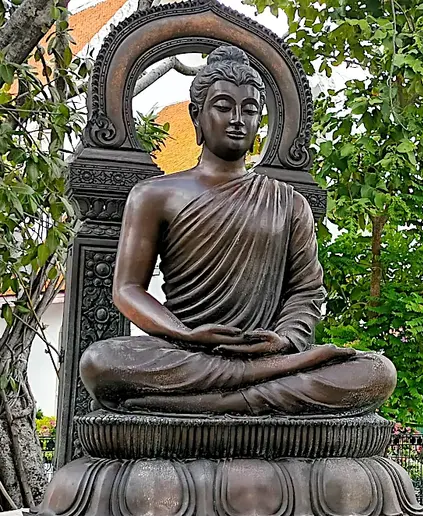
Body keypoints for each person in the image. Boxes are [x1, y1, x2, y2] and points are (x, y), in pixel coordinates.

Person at [80, 46, 396, 416]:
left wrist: (285, 341)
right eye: (224, 107)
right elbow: (127, 289)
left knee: (377, 372)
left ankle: (225, 396)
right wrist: (184, 334)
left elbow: (307, 291)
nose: (237, 120)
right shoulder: (154, 195)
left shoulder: (288, 202)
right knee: (99, 362)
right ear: (196, 114)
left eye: (249, 110)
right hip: (188, 351)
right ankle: (262, 382)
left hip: (267, 351)